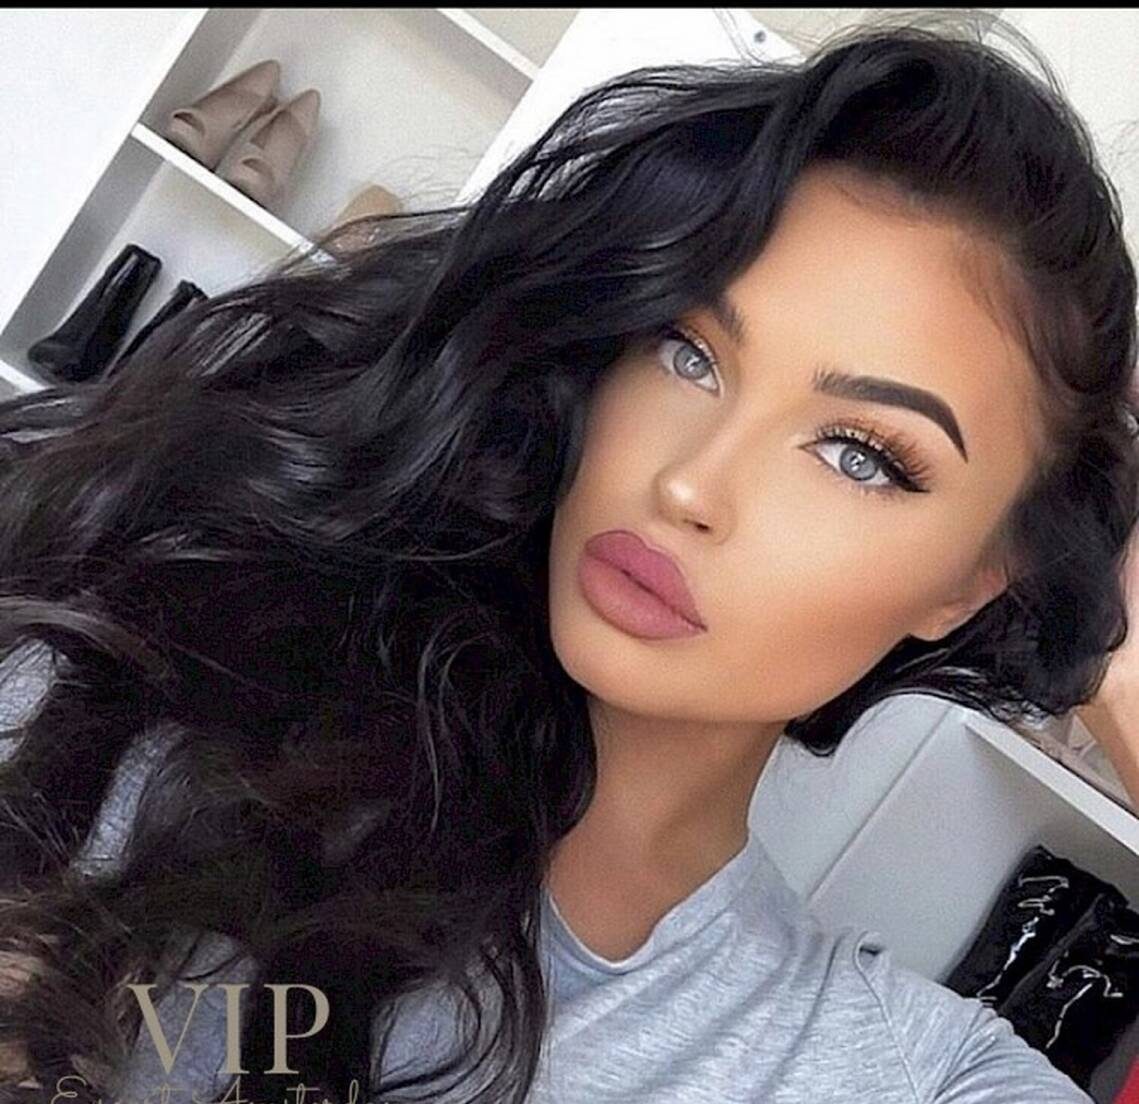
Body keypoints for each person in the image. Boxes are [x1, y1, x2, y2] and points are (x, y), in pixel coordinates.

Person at [0, 11, 1136, 1103]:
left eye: (858, 456)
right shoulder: (137, 692)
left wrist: (1119, 663)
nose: (690, 483)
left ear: (968, 583)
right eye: (687, 351)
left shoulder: (884, 1071)